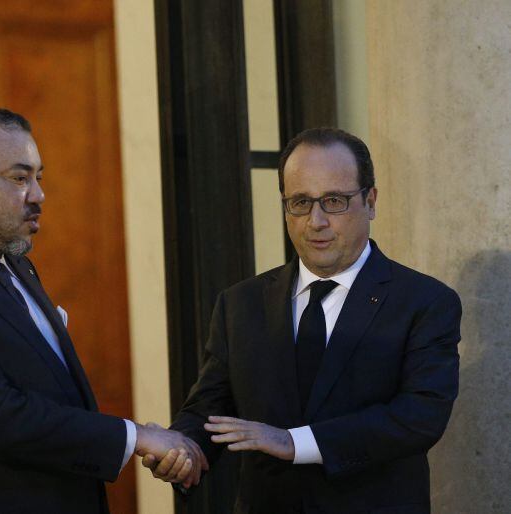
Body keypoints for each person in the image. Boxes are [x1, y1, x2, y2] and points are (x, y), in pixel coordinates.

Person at [143, 128, 461, 513]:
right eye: (300, 202)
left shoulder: (424, 301)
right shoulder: (240, 304)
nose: (316, 221)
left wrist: (296, 442)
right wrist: (183, 449)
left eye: (334, 201)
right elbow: (210, 409)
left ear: (371, 201)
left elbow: (419, 418)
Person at [0, 106, 207, 514]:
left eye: (38, 177)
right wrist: (136, 438)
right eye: (19, 178)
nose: (38, 195)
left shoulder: (12, 261)